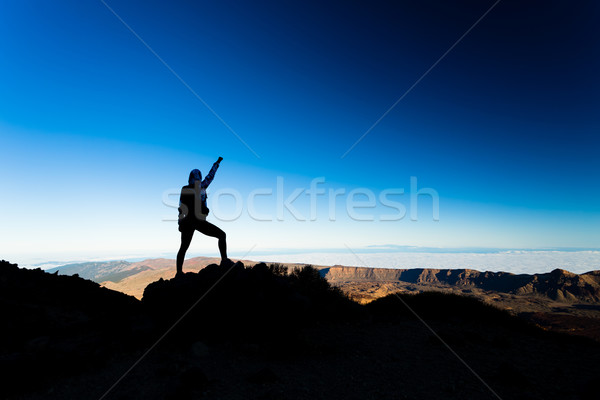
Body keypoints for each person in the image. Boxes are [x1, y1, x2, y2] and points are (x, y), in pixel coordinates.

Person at [176, 157, 229, 275]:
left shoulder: (188, 188)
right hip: (196, 221)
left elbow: (181, 207)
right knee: (221, 235)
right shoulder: (200, 187)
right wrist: (217, 164)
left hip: (189, 222)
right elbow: (211, 176)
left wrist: (180, 222)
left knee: (183, 247)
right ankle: (225, 261)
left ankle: (179, 272)